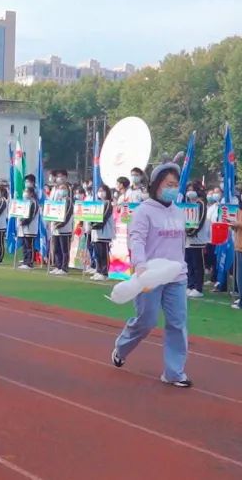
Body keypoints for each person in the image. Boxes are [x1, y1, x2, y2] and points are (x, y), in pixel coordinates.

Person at [112, 162, 192, 387]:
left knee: (178, 323)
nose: (173, 189)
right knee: (146, 321)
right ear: (156, 185)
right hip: (150, 275)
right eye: (169, 184)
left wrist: (181, 267)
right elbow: (136, 239)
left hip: (176, 276)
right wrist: (140, 265)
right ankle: (122, 347)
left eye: (176, 185)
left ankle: (174, 372)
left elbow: (180, 243)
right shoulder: (143, 211)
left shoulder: (178, 211)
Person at [184, 183, 209, 298]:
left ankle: (198, 287)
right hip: (188, 239)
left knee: (197, 264)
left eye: (191, 190)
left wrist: (192, 232)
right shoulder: (189, 204)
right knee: (188, 263)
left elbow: (200, 220)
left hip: (197, 239)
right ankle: (190, 285)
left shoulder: (201, 204)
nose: (189, 192)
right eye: (188, 190)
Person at [89, 184, 115, 281]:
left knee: (104, 253)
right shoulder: (97, 203)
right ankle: (99, 270)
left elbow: (104, 217)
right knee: (97, 253)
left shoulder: (108, 203)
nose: (101, 193)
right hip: (96, 232)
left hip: (104, 232)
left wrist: (96, 225)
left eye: (102, 191)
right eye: (99, 191)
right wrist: (92, 224)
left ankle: (104, 273)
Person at [49, 182, 75, 275]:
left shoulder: (69, 202)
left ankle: (64, 268)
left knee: (65, 250)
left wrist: (59, 224)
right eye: (60, 188)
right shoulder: (57, 201)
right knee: (57, 249)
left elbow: (67, 216)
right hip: (56, 229)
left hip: (65, 229)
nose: (61, 190)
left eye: (63, 188)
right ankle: (58, 265)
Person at [18, 185, 40, 270]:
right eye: (24, 191)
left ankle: (29, 263)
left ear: (31, 193)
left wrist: (24, 222)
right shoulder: (25, 202)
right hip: (24, 228)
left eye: (26, 192)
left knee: (29, 246)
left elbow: (31, 216)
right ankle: (25, 261)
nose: (25, 193)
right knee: (24, 245)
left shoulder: (34, 203)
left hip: (30, 228)